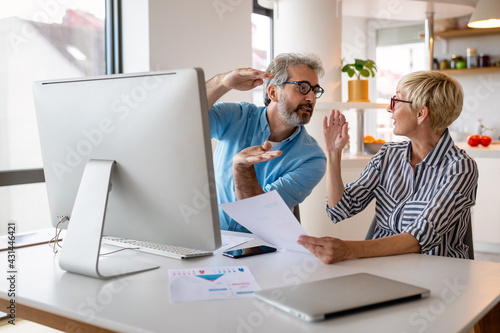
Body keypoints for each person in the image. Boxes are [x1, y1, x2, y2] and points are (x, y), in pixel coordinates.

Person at [298, 70, 478, 263]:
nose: (389, 109)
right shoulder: (388, 155)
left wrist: (348, 249)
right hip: (383, 266)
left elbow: (420, 238)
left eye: (396, 101)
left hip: (438, 273)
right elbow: (340, 209)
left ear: (420, 113)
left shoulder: (460, 167)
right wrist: (334, 153)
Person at [206, 53, 327, 232]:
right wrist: (222, 82)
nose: (311, 98)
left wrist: (242, 169)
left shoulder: (312, 159)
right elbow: (184, 117)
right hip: (212, 241)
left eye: (315, 90)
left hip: (261, 253)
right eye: (303, 87)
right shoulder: (236, 116)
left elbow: (261, 213)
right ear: (273, 92)